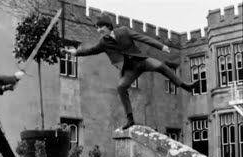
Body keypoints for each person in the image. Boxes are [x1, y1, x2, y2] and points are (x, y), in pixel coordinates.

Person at [62, 13, 199, 130]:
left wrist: (161, 46)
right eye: (97, 28)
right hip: (129, 70)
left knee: (161, 66)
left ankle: (185, 86)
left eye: (101, 27)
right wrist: (75, 52)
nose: (99, 30)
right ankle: (130, 119)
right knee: (121, 87)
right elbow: (90, 50)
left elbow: (142, 38)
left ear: (108, 26)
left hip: (141, 61)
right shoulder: (103, 42)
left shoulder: (124, 31)